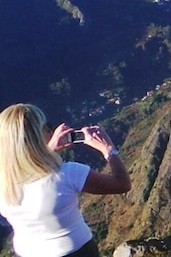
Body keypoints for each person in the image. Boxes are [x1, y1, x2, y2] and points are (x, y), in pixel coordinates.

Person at [0, 104, 131, 257]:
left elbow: (31, 177)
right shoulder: (66, 174)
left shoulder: (4, 181)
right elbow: (121, 184)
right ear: (37, 136)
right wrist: (108, 149)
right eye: (46, 127)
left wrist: (48, 151)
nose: (51, 131)